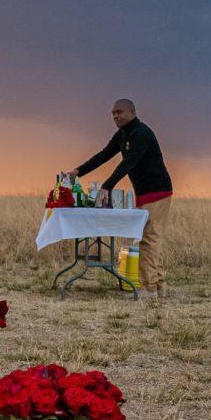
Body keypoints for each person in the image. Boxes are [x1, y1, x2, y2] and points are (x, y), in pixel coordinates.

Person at [66, 97, 173, 297]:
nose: (116, 116)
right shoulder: (122, 135)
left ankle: (149, 289)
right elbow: (104, 155)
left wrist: (107, 186)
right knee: (149, 238)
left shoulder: (141, 133)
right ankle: (158, 287)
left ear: (132, 112)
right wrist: (78, 172)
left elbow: (128, 162)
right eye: (113, 113)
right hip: (144, 193)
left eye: (120, 112)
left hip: (157, 191)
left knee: (149, 239)